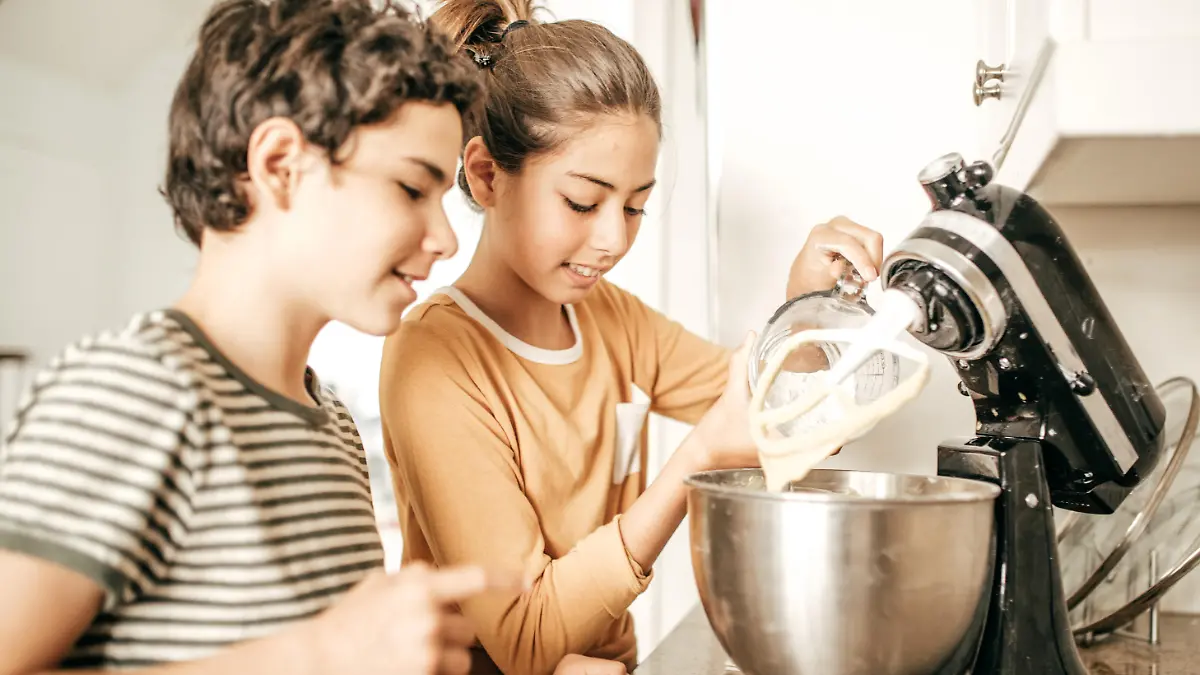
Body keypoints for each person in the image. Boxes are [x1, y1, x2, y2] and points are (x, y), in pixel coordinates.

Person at [0, 2, 618, 674]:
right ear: (280, 165)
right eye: (412, 187)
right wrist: (318, 652)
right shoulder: (130, 395)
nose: (442, 239)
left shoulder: (333, 426)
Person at [377, 2, 888, 674]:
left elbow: (789, 419)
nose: (614, 238)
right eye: (583, 203)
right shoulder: (436, 357)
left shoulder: (613, 319)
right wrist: (698, 455)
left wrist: (808, 308)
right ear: (486, 175)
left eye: (636, 205)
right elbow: (526, 640)